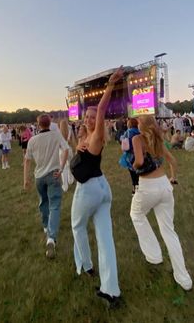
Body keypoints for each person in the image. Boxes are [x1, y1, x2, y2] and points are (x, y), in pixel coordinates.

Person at [70, 66, 123, 308]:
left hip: (90, 189)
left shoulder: (97, 135)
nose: (91, 119)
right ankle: (111, 291)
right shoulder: (85, 139)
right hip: (102, 189)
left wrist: (110, 85)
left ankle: (85, 265)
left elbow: (102, 108)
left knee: (77, 225)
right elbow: (79, 156)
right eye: (88, 117)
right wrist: (77, 147)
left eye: (94, 117)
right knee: (105, 238)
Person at [130, 115, 192, 291]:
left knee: (136, 214)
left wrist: (133, 165)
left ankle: (154, 254)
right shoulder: (158, 139)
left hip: (147, 186)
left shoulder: (137, 138)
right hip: (164, 185)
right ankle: (184, 278)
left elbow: (140, 161)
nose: (137, 123)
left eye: (139, 121)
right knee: (169, 231)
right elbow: (173, 161)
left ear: (142, 125)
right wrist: (173, 177)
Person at [24, 114, 69, 259]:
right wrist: (61, 168)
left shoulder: (33, 140)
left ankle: (46, 227)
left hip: (39, 177)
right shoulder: (55, 135)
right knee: (54, 205)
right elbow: (66, 150)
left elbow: (27, 161)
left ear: (38, 125)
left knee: (43, 201)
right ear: (50, 123)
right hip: (53, 174)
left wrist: (26, 179)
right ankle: (51, 237)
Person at [120, 118, 140, 195]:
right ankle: (139, 187)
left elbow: (122, 139)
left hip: (130, 155)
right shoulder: (139, 131)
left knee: (132, 172)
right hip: (138, 153)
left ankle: (134, 188)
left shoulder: (128, 132)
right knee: (139, 171)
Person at [59, 119, 75, 192]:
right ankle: (70, 180)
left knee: (63, 168)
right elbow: (72, 141)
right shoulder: (70, 130)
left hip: (62, 151)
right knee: (70, 165)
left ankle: (65, 186)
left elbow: (58, 144)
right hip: (69, 149)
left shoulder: (58, 132)